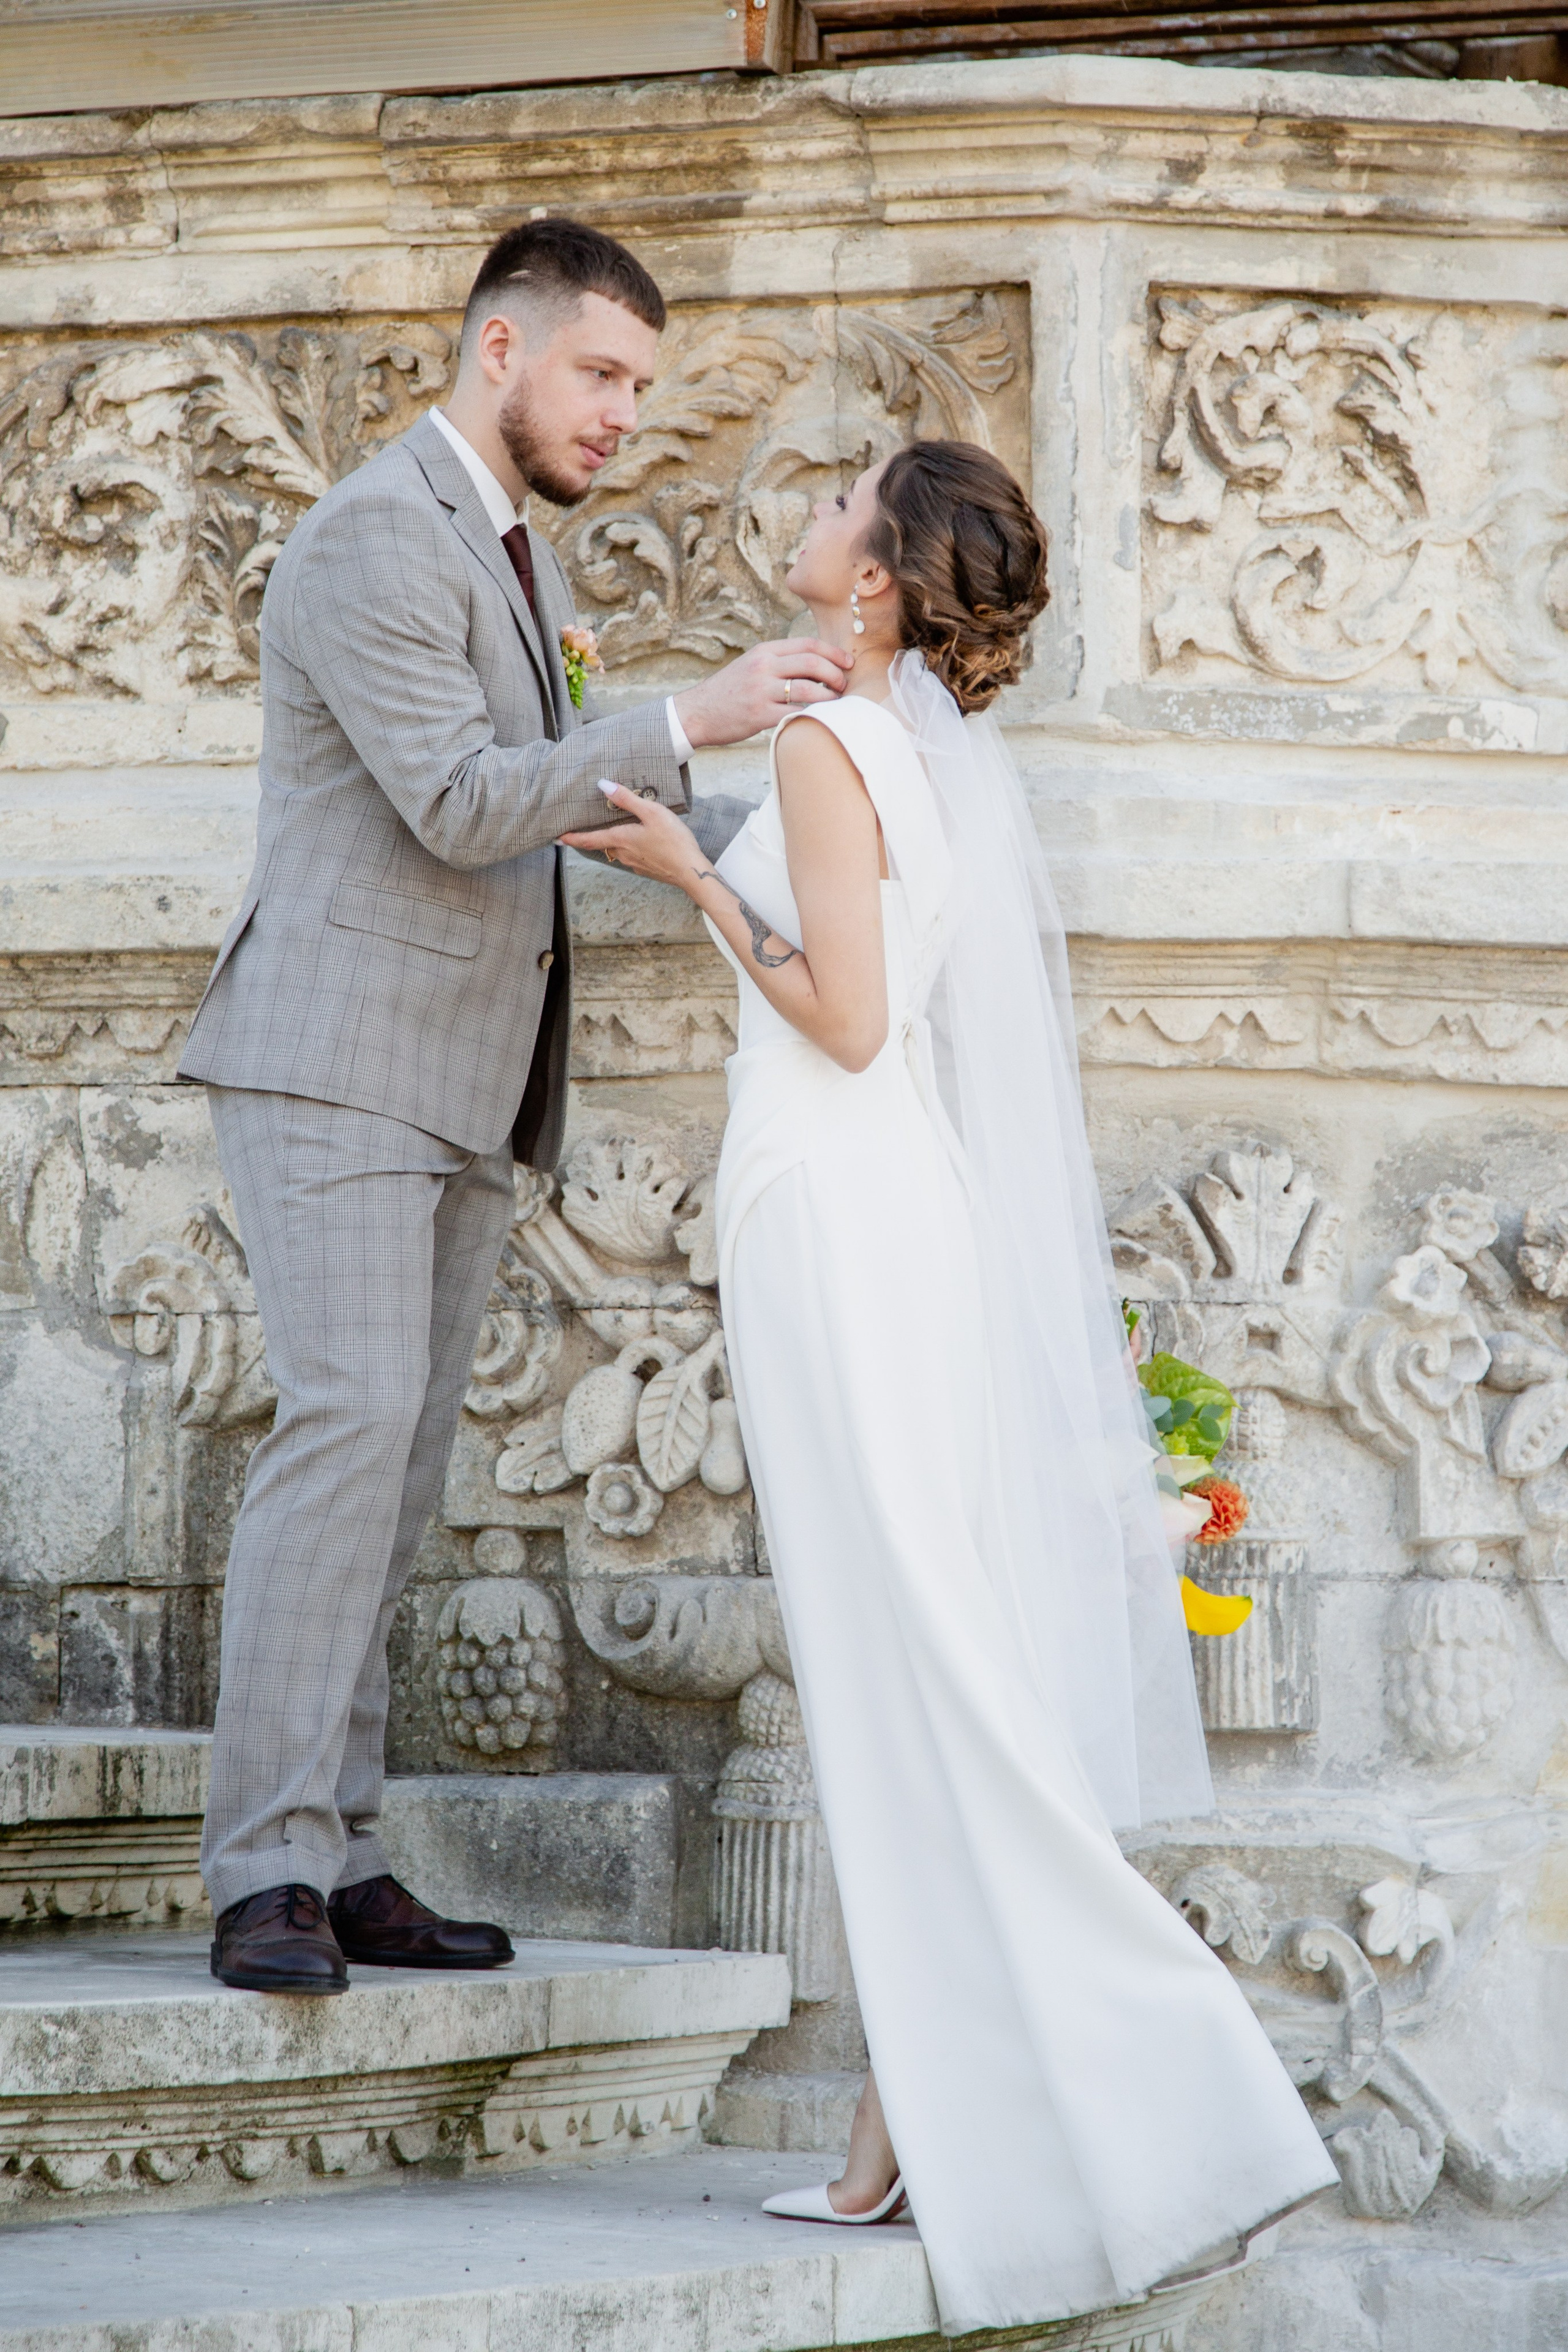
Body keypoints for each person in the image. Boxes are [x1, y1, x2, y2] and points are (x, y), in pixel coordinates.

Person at [560, 441, 1339, 2334]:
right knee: (913, 1673)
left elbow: (840, 1013)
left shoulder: (837, 754)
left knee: (912, 1673)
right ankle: (893, 2135)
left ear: (883, 581)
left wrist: (684, 873)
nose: (811, 516)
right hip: (869, 1205)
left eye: (842, 507)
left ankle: (1188, 2105)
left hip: (837, 1206)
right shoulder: (896, 743)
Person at [179, 216, 849, 1994]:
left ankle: (347, 1848)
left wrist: (819, 873)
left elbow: (569, 806)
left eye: (641, 383)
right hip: (331, 1059)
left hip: (467, 1076)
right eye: (604, 374)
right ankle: (264, 1877)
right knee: (343, 1434)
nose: (626, 412)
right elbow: (466, 802)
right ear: (501, 351)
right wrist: (689, 716)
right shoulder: (371, 541)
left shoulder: (513, 553)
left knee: (391, 1473)